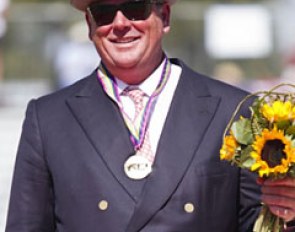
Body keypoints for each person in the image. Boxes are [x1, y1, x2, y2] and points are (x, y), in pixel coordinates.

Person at [5, 0, 295, 231]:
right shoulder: (47, 119)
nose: (120, 24)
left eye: (135, 8)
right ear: (89, 24)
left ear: (165, 16)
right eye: (104, 12)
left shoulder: (234, 110)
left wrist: (288, 215)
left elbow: (260, 223)